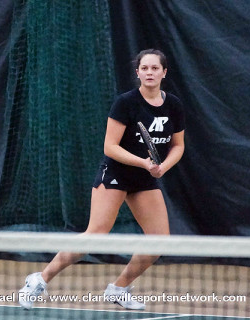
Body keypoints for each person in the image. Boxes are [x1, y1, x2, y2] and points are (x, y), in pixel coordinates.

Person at [18, 49, 185, 310]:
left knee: (159, 239)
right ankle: (39, 279)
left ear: (164, 72)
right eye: (145, 68)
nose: (150, 73)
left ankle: (119, 288)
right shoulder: (126, 103)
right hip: (117, 173)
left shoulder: (173, 104)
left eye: (155, 68)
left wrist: (163, 166)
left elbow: (178, 145)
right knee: (95, 234)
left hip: (144, 180)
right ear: (137, 72)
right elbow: (110, 146)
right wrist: (143, 162)